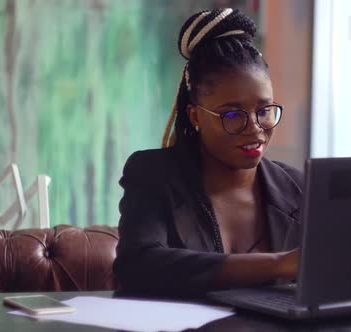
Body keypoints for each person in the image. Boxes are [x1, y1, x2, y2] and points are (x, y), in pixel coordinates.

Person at [113, 8, 302, 298]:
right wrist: (278, 264)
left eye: (264, 111)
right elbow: (137, 267)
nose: (255, 129)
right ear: (195, 116)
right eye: (232, 115)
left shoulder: (299, 188)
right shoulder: (153, 174)